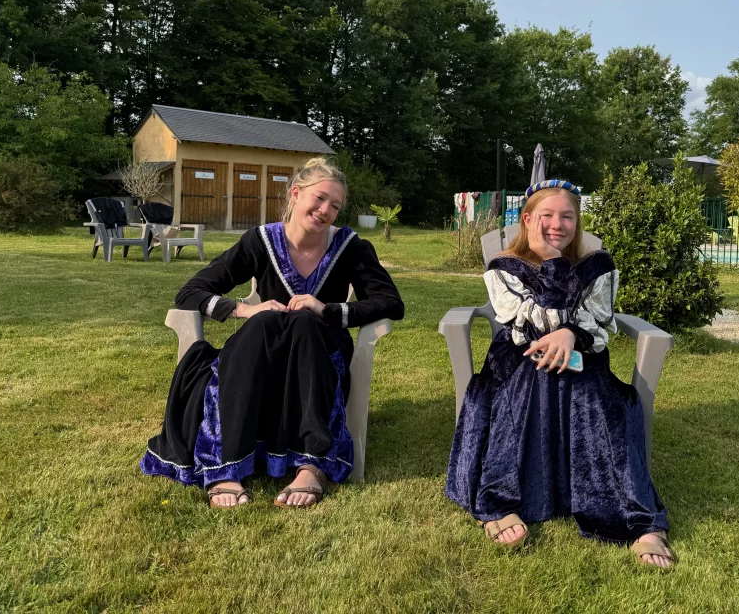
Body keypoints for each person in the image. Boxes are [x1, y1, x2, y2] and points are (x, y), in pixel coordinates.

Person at [140, 157, 405, 508]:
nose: (325, 211)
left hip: (319, 356)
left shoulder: (350, 248)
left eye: (335, 206)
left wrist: (327, 310)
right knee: (264, 322)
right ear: (296, 194)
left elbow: (390, 302)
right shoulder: (261, 241)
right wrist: (245, 309)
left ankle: (311, 466)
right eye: (320, 198)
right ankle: (226, 467)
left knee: (306, 323)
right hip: (263, 354)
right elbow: (191, 292)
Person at [444, 179, 675, 568]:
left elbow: (599, 320)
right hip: (519, 356)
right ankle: (501, 499)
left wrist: (570, 335)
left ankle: (637, 519)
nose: (557, 224)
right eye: (546, 215)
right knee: (528, 381)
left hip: (583, 354)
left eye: (567, 216)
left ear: (577, 222)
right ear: (527, 219)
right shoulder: (504, 267)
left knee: (596, 399)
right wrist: (551, 261)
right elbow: (525, 323)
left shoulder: (597, 266)